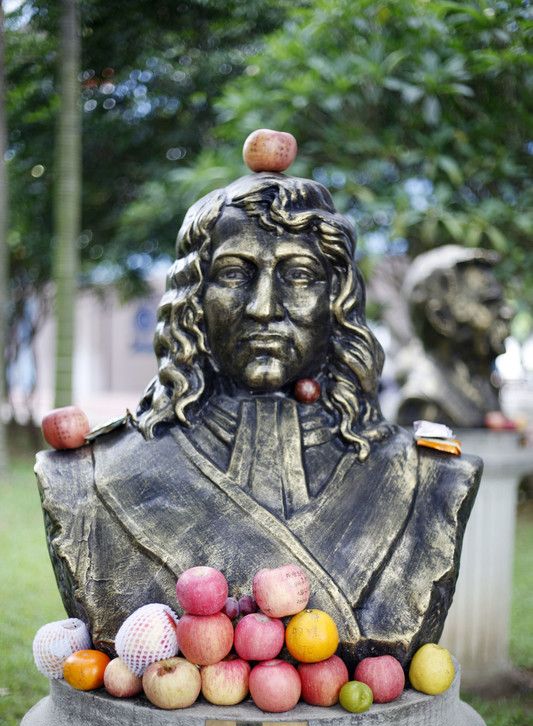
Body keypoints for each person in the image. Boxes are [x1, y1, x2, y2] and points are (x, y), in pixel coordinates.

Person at [36, 174, 482, 668]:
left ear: (337, 301)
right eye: (233, 274)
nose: (263, 308)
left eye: (299, 276)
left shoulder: (428, 475)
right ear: (193, 299)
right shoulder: (92, 475)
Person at [396, 245, 513, 427]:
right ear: (441, 318)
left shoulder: (482, 387)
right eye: (489, 302)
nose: (508, 312)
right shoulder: (424, 402)